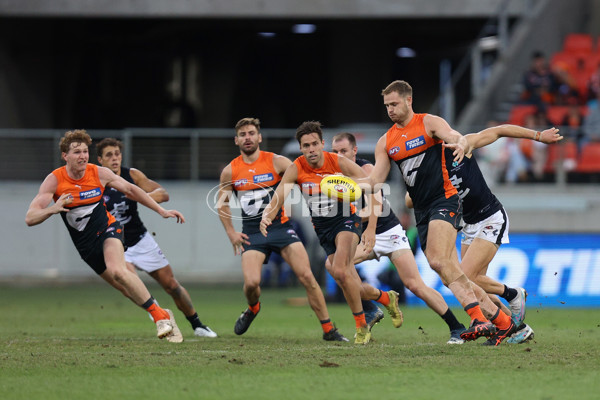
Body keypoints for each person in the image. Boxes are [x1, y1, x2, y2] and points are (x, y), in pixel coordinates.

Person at [370, 80, 516, 346]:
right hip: (422, 210)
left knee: (438, 260)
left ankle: (477, 319)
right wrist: (348, 186)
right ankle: (505, 323)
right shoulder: (386, 142)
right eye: (386, 106)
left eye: (394, 104)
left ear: (408, 101)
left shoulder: (429, 123)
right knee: (449, 271)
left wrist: (460, 143)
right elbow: (375, 180)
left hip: (445, 199)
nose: (390, 109)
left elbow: (453, 135)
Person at [25, 130, 185, 342]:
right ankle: (162, 312)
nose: (82, 156)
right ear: (65, 156)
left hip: (109, 228)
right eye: (76, 152)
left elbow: (131, 190)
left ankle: (159, 318)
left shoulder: (98, 173)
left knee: (119, 271)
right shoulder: (54, 180)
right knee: (124, 288)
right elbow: (30, 217)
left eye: (85, 151)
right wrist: (52, 209)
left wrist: (161, 211)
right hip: (86, 246)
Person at [260, 121, 402, 345]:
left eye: (315, 144)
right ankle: (384, 298)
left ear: (322, 143)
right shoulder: (297, 167)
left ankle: (361, 326)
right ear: (301, 148)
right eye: (306, 145)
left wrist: (346, 185)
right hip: (322, 228)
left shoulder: (337, 161)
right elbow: (279, 196)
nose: (311, 149)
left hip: (347, 219)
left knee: (341, 270)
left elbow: (372, 183)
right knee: (342, 276)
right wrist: (267, 216)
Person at [217, 118, 348, 342]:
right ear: (236, 140)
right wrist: (230, 232)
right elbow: (222, 203)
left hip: (281, 228)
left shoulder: (277, 162)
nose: (247, 137)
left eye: (251, 133)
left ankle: (329, 330)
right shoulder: (230, 171)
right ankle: (253, 308)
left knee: (307, 276)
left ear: (259, 137)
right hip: (252, 232)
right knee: (251, 283)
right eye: (242, 134)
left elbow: (305, 175)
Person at [331, 132, 467, 344]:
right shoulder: (334, 176)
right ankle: (378, 302)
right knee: (335, 267)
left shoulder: (365, 169)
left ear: (354, 151)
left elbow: (376, 203)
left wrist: (368, 228)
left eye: (343, 151)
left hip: (387, 231)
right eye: (335, 152)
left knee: (415, 285)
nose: (339, 155)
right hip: (363, 234)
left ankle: (456, 327)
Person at [444, 124, 563, 344]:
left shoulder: (462, 144)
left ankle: (512, 293)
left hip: (490, 217)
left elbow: (500, 130)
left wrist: (538, 135)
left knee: (465, 277)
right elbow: (410, 200)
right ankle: (517, 329)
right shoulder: (430, 166)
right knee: (475, 288)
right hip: (469, 225)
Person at [96, 138, 217, 338]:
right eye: (109, 155)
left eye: (117, 153)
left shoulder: (131, 175)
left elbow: (163, 194)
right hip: (115, 243)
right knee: (128, 281)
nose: (114, 158)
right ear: (100, 160)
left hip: (141, 239)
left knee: (171, 285)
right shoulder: (95, 183)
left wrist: (139, 196)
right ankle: (157, 311)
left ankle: (198, 325)